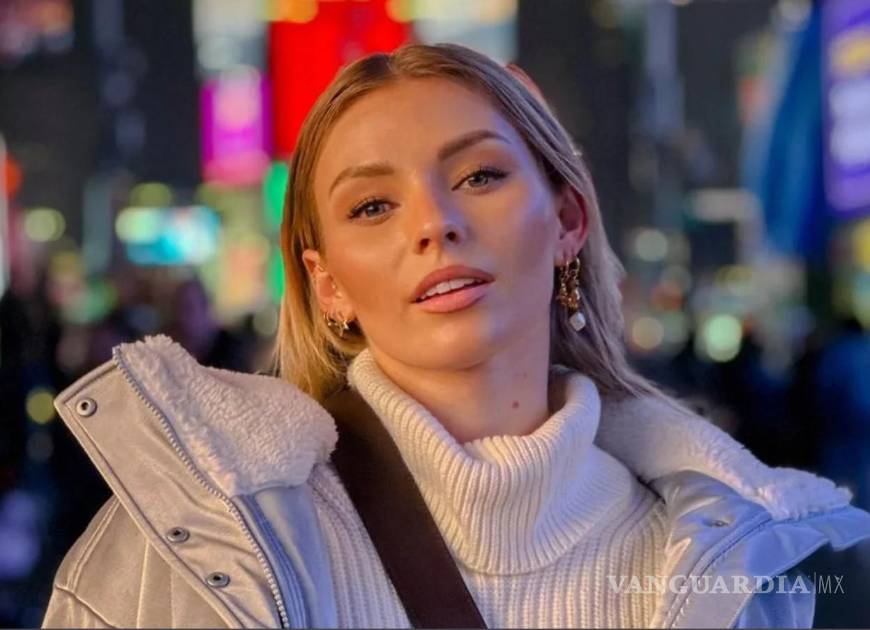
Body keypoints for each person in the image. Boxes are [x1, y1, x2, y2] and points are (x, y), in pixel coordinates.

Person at [42, 43, 869, 629]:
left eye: (479, 175)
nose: (434, 223)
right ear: (328, 283)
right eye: (373, 206)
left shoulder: (750, 564)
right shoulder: (198, 542)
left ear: (567, 220)